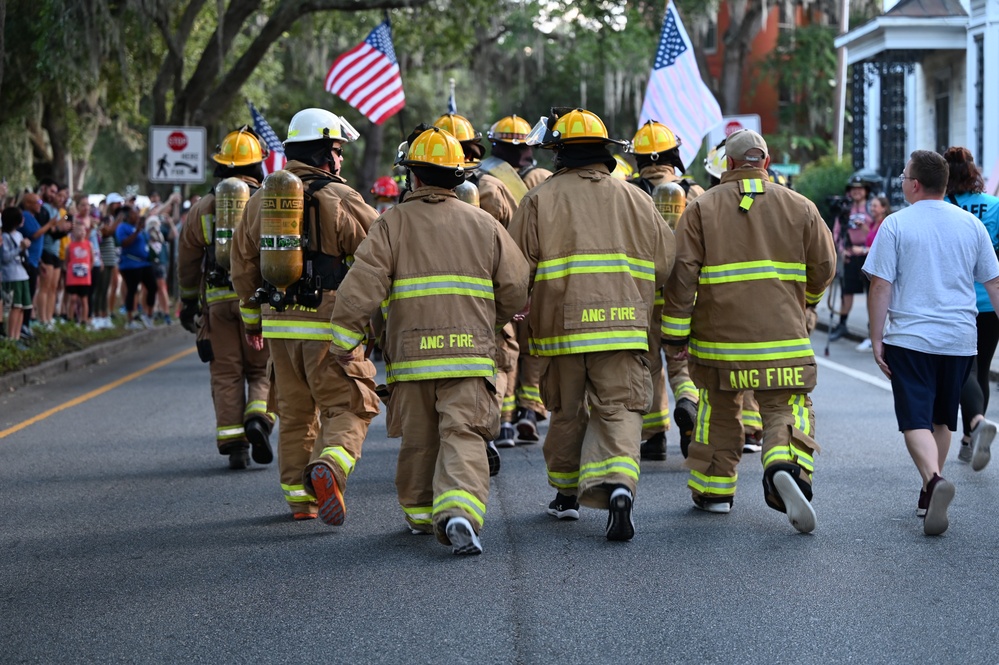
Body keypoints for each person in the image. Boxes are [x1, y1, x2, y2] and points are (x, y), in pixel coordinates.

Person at [329, 127, 529, 555]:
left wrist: (343, 341)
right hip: (470, 354)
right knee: (464, 433)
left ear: (413, 177)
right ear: (458, 177)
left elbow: (361, 286)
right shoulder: (485, 224)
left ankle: (420, 514)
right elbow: (515, 284)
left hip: (412, 358)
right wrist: (492, 321)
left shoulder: (391, 224)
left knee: (419, 439)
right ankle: (458, 510)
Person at [507, 108, 675, 541]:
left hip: (562, 331)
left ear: (560, 153)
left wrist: (507, 315)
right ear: (605, 152)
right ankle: (619, 484)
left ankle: (566, 496)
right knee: (619, 409)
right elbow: (665, 262)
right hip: (624, 327)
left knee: (567, 412)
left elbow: (512, 273)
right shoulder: (637, 198)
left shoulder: (539, 199)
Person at [662, 129, 836, 533]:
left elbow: (682, 277)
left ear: (730, 165)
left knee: (718, 410)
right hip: (783, 340)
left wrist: (674, 335)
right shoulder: (801, 207)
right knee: (785, 408)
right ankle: (781, 461)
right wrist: (805, 300)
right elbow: (824, 269)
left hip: (719, 344)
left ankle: (714, 492)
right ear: (767, 163)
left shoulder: (701, 208)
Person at [231, 108, 381, 523]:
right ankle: (330, 467)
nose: (341, 160)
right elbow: (378, 254)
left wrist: (251, 320)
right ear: (324, 154)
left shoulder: (262, 199)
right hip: (330, 323)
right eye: (337, 150)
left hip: (279, 325)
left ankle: (301, 500)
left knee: (296, 413)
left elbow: (242, 265)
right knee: (349, 404)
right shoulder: (340, 198)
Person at [865, 149, 999, 536]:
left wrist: (877, 337)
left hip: (911, 338)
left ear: (915, 184)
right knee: (943, 419)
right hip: (960, 339)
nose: (903, 181)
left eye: (905, 175)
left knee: (914, 420)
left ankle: (935, 481)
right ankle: (928, 491)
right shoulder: (971, 225)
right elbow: (993, 283)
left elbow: (880, 284)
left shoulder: (895, 225)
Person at [180, 126, 275, 470]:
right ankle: (258, 421)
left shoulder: (203, 208)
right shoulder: (268, 201)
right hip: (259, 299)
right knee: (262, 371)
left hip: (218, 303)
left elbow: (188, 261)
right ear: (258, 165)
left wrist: (189, 301)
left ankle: (235, 443)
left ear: (220, 166)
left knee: (226, 372)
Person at [627, 119, 704, 462]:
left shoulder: (628, 193)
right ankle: (688, 402)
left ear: (639, 160)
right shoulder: (695, 192)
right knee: (682, 361)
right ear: (674, 154)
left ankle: (654, 436)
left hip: (643, 293)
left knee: (647, 364)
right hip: (686, 294)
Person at [486, 114, 555, 446]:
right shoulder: (543, 177)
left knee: (506, 347)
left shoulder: (485, 178)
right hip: (538, 274)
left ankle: (506, 419)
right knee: (534, 347)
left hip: (503, 275)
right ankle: (530, 410)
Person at [941, 146, 999, 471]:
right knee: (983, 366)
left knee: (966, 369)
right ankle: (968, 440)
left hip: (956, 301)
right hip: (990, 299)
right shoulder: (994, 206)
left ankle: (975, 424)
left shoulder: (941, 207)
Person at [829, 173, 876, 341]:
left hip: (867, 256)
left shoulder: (872, 207)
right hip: (850, 255)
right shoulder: (845, 209)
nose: (857, 192)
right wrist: (841, 250)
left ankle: (873, 329)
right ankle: (842, 324)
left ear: (865, 191)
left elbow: (876, 232)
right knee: (846, 292)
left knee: (871, 293)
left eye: (860, 189)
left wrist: (863, 228)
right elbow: (836, 231)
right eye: (853, 189)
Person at [855, 195, 892, 352]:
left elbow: (880, 246)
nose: (872, 209)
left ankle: (876, 337)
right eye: (871, 206)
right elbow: (871, 238)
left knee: (875, 302)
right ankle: (873, 335)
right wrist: (863, 227)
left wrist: (862, 250)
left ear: (883, 208)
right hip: (871, 268)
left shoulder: (885, 224)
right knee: (870, 302)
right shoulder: (874, 224)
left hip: (878, 270)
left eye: (875, 206)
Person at [115, 206, 157, 328]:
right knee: (132, 290)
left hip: (145, 263)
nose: (137, 216)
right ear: (127, 216)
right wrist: (137, 231)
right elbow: (124, 243)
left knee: (152, 287)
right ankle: (130, 319)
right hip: (130, 264)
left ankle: (148, 315)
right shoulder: (123, 227)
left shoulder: (139, 227)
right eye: (134, 214)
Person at [2, 207, 32, 342]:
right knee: (15, 306)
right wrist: (20, 248)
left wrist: (25, 249)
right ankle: (11, 338)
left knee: (22, 308)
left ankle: (17, 336)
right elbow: (5, 257)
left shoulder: (19, 235)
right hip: (11, 275)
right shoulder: (5, 237)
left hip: (22, 274)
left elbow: (25, 255)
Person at [63, 222, 92, 325]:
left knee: (84, 299)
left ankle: (84, 320)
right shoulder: (69, 246)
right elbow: (67, 260)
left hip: (85, 277)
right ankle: (70, 318)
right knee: (73, 298)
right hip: (73, 277)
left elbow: (91, 260)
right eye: (78, 231)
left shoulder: (89, 245)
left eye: (83, 231)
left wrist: (88, 269)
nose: (81, 233)